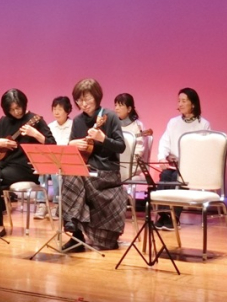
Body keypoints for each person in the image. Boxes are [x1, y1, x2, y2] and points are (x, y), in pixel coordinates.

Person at [0, 89, 56, 240]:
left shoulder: (35, 120)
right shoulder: (3, 121)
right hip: (6, 164)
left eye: (18, 108)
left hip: (26, 168)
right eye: (11, 110)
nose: (16, 112)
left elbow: (52, 145)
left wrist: (36, 134)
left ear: (24, 104)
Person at [61, 78, 126, 251]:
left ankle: (73, 225)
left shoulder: (109, 117)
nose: (83, 104)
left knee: (73, 178)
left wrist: (103, 139)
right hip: (85, 171)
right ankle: (75, 232)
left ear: (96, 97)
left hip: (106, 173)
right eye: (79, 100)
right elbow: (72, 150)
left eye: (87, 99)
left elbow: (121, 146)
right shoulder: (77, 121)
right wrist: (72, 144)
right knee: (71, 174)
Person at [155, 87, 211, 231]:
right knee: (165, 175)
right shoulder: (173, 122)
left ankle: (175, 216)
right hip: (174, 164)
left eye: (184, 101)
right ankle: (164, 215)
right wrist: (162, 158)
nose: (180, 104)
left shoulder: (203, 124)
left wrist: (188, 161)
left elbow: (204, 150)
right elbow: (164, 142)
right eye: (179, 101)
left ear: (193, 104)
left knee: (178, 177)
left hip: (191, 167)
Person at [35, 96, 73, 221]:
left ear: (67, 111)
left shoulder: (73, 126)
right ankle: (42, 204)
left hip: (66, 161)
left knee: (56, 172)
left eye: (60, 109)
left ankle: (57, 204)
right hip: (51, 159)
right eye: (54, 109)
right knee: (43, 171)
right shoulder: (50, 126)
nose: (56, 112)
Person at [114, 93, 147, 179]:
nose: (116, 108)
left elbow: (139, 151)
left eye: (120, 105)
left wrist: (127, 162)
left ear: (129, 109)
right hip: (116, 164)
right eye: (116, 105)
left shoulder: (138, 126)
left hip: (132, 165)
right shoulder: (114, 125)